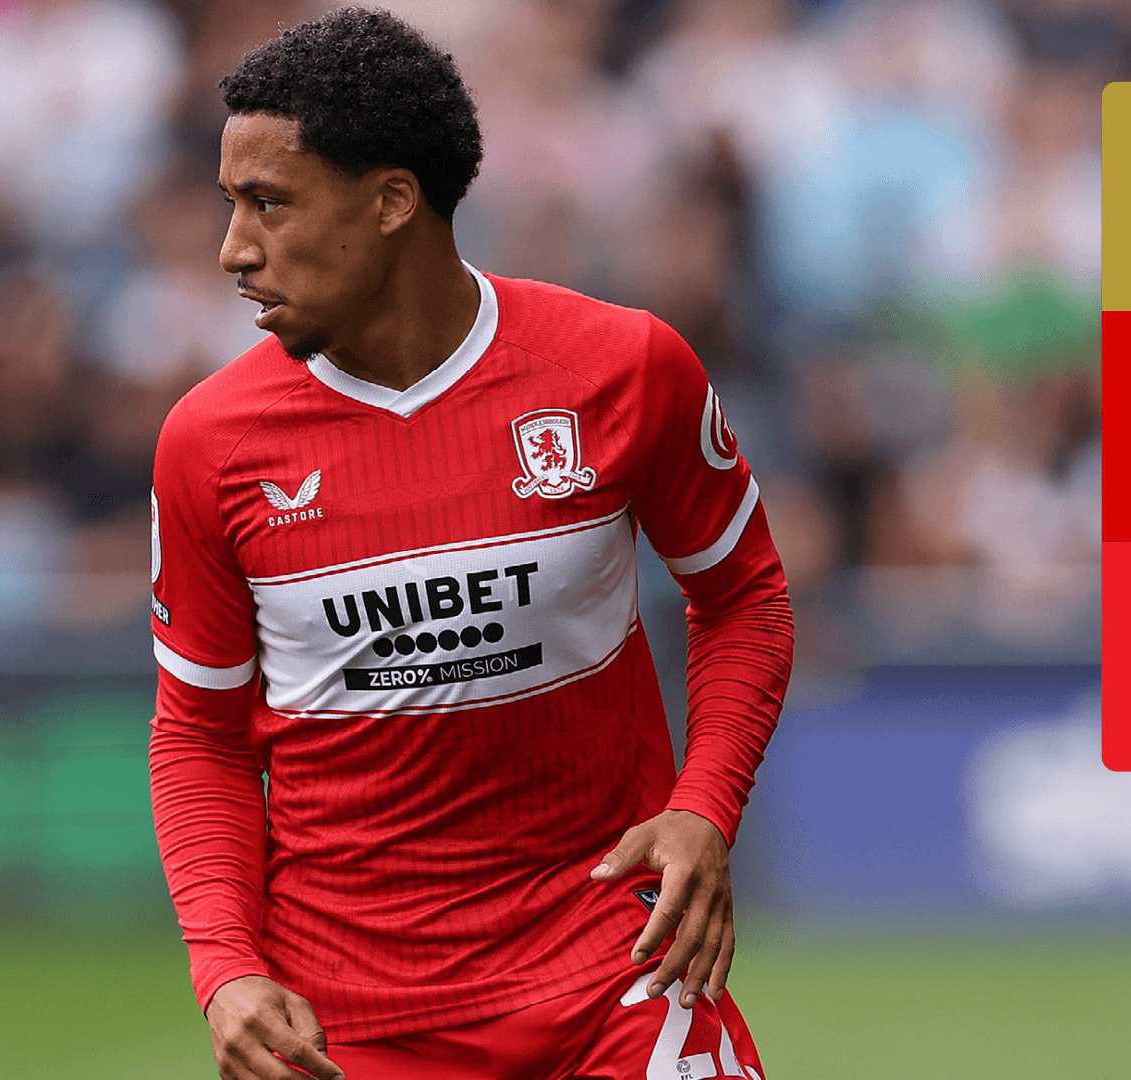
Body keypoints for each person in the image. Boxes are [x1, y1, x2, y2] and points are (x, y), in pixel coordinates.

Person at [147, 10, 793, 1079]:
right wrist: (225, 967)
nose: (235, 249)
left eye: (270, 202)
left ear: (392, 201)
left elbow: (744, 598)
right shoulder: (209, 445)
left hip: (614, 970)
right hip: (346, 1025)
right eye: (231, 205)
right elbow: (199, 734)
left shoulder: (623, 368)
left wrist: (703, 809)